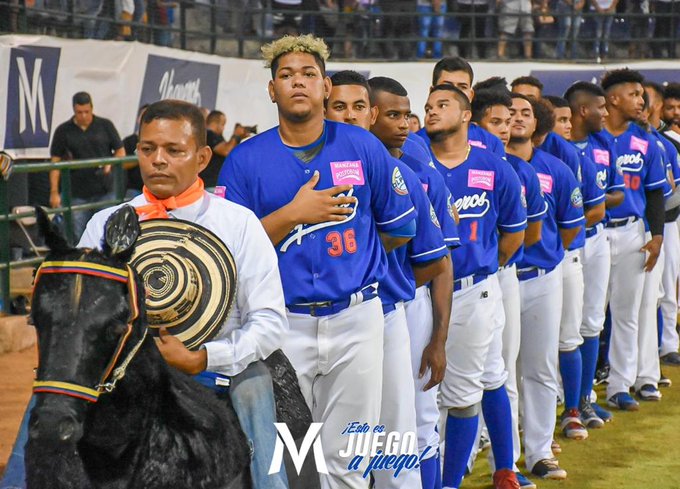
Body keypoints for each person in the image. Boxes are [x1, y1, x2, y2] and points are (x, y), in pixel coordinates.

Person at [218, 34, 417, 488]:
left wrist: (350, 258)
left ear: (326, 86)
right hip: (280, 322)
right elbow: (230, 253)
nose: (298, 83)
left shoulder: (363, 147)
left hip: (357, 318)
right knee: (295, 460)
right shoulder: (245, 161)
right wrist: (292, 216)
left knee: (349, 458)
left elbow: (399, 226)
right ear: (272, 91)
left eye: (308, 74)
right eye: (286, 75)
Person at [79, 99, 290, 489]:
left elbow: (271, 323)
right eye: (147, 149)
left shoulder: (238, 223)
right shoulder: (103, 225)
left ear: (202, 157)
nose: (158, 160)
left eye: (174, 150)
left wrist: (205, 357)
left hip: (217, 375)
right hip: (125, 382)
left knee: (256, 390)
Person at [425, 84, 526, 489]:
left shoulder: (494, 166)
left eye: (442, 105)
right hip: (420, 290)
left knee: (468, 390)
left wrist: (480, 269)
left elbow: (514, 235)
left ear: (467, 115)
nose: (432, 111)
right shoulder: (414, 158)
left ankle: (459, 481)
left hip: (473, 289)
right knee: (422, 395)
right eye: (429, 105)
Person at [368, 75, 461, 489]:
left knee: (417, 422)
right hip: (351, 313)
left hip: (405, 306)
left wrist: (438, 338)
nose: (405, 123)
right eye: (393, 115)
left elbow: (439, 265)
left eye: (407, 115)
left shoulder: (423, 175)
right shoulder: (334, 169)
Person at [506, 93, 584, 480]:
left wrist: (547, 253)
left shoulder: (555, 168)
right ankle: (502, 454)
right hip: (501, 280)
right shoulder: (489, 165)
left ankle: (539, 451)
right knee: (500, 374)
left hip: (541, 278)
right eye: (510, 112)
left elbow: (570, 226)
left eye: (525, 113)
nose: (517, 118)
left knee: (539, 368)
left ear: (537, 124)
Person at [472, 88, 546, 489]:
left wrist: (491, 263)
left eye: (509, 121)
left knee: (499, 369)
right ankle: (461, 456)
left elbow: (527, 234)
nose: (505, 128)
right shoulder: (437, 159)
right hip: (448, 280)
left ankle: (508, 463)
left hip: (496, 276)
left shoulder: (517, 170)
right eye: (496, 121)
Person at [601, 68, 666, 410]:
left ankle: (619, 384)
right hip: (593, 234)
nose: (641, 100)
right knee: (592, 318)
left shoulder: (645, 141)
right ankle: (576, 393)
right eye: (634, 94)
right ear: (613, 98)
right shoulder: (592, 139)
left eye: (642, 94)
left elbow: (655, 194)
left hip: (631, 232)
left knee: (627, 313)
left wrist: (657, 236)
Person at [543, 94, 607, 439]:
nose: (566, 126)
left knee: (577, 330)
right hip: (532, 261)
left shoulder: (568, 155)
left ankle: (577, 404)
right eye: (560, 119)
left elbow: (594, 210)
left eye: (569, 119)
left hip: (572, 250)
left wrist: (554, 244)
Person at [564, 80, 625, 424]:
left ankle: (583, 399)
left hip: (596, 237)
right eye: (600, 107)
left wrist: (594, 198)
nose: (606, 113)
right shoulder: (557, 148)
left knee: (592, 322)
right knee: (563, 325)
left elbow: (616, 194)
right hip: (565, 244)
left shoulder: (603, 145)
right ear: (583, 110)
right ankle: (567, 400)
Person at [49, 91, 125, 243]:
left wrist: (110, 162)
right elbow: (55, 163)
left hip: (105, 189)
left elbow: (120, 151)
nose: (83, 116)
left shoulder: (105, 125)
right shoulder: (63, 131)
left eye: (86, 112)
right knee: (78, 234)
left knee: (107, 231)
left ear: (92, 108)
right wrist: (54, 191)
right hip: (76, 193)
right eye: (79, 112)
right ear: (73, 110)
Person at [643, 81, 680, 368]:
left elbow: (674, 187)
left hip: (666, 222)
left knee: (666, 287)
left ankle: (668, 343)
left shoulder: (666, 143)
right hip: (642, 225)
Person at [417, 57, 506, 158]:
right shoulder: (414, 143)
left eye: (462, 87)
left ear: (471, 95)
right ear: (432, 91)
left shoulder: (492, 143)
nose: (455, 92)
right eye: (447, 85)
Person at [203, 110, 250, 188]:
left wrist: (239, 138)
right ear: (215, 123)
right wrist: (236, 135)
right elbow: (226, 151)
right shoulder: (209, 135)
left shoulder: (216, 136)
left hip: (213, 184)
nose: (224, 128)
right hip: (208, 184)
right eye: (222, 124)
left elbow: (230, 151)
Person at [122, 104, 148, 199]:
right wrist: (140, 154)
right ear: (138, 119)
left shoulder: (160, 141)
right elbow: (123, 164)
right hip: (134, 188)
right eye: (143, 116)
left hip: (153, 187)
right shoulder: (129, 141)